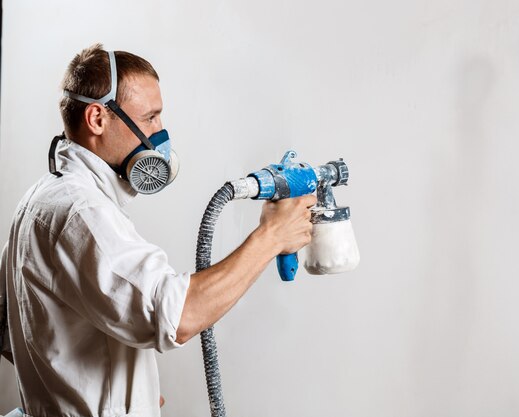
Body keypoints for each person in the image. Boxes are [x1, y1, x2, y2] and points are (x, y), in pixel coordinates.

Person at [0, 44, 315, 416]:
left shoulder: (41, 198)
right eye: (150, 118)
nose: (160, 135)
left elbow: (9, 328)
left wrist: (125, 398)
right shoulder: (80, 211)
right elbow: (179, 316)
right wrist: (272, 236)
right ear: (98, 119)